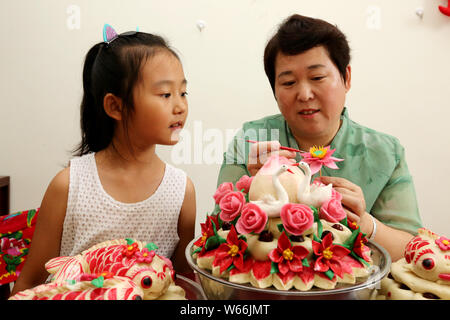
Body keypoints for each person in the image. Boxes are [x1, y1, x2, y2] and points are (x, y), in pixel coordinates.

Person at [216, 14, 422, 262]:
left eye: (317, 78)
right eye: (289, 82)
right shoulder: (253, 141)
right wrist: (251, 189)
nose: (304, 94)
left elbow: (413, 252)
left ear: (346, 78)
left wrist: (365, 223)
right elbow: (217, 237)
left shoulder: (385, 153)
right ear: (275, 90)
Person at [11, 27, 196, 295]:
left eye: (183, 93)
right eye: (166, 94)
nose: (180, 106)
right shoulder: (69, 186)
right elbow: (29, 285)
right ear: (115, 107)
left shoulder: (181, 192)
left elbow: (181, 286)